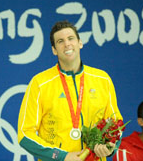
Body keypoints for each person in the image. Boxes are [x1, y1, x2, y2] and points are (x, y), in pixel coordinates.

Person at [18, 20, 122, 161]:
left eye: (71, 38)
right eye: (60, 41)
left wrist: (109, 147)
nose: (67, 44)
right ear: (54, 50)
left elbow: (115, 124)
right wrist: (61, 156)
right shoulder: (40, 83)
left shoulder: (102, 79)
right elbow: (25, 134)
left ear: (80, 43)